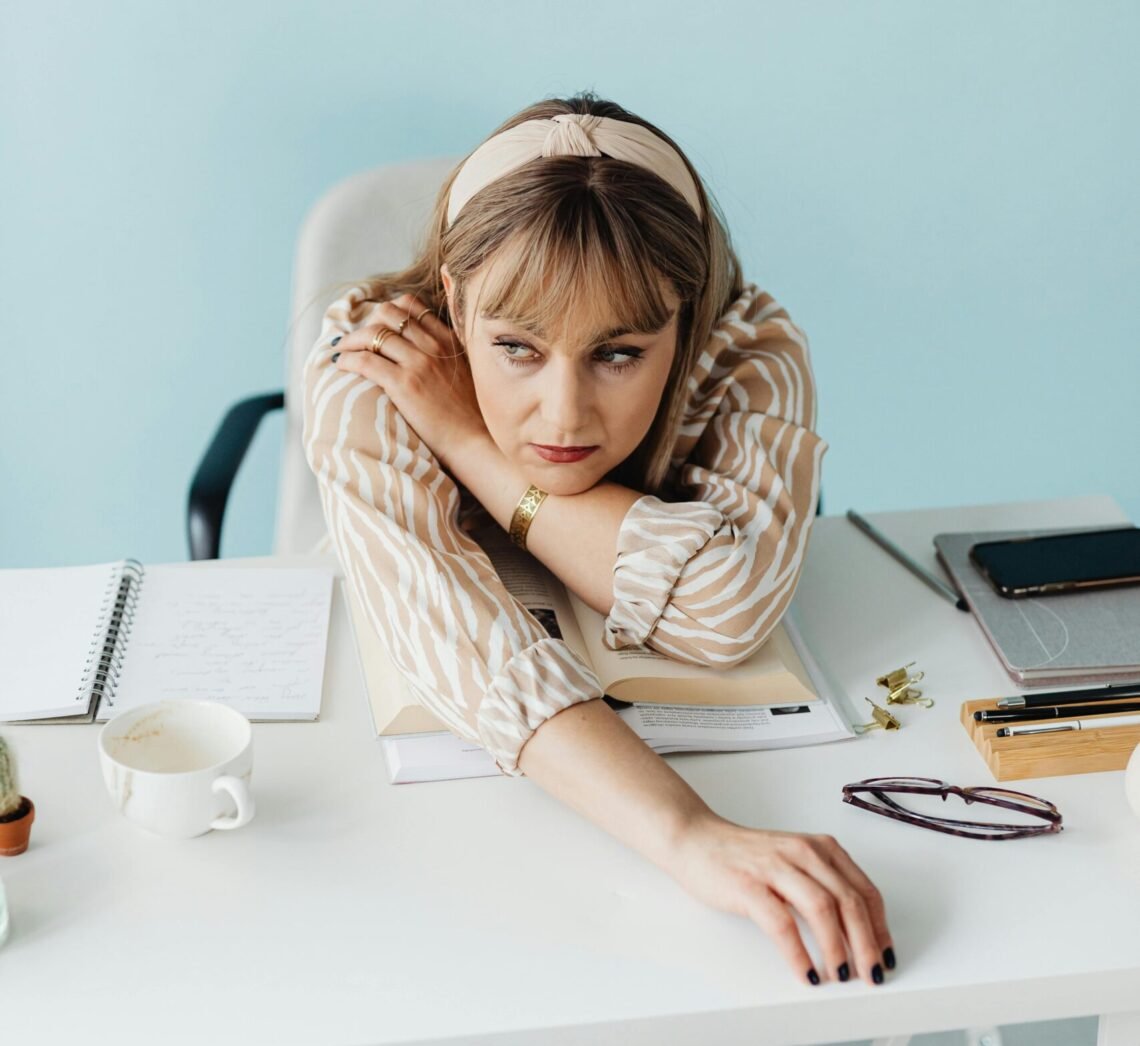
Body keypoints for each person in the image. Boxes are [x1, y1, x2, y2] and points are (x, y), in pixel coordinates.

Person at [302, 91, 894, 988]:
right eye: (517, 349)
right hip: (418, 840)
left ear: (684, 318)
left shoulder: (748, 347)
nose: (565, 413)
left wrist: (473, 446)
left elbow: (725, 611)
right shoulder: (378, 354)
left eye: (619, 353)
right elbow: (466, 643)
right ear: (458, 304)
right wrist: (692, 836)